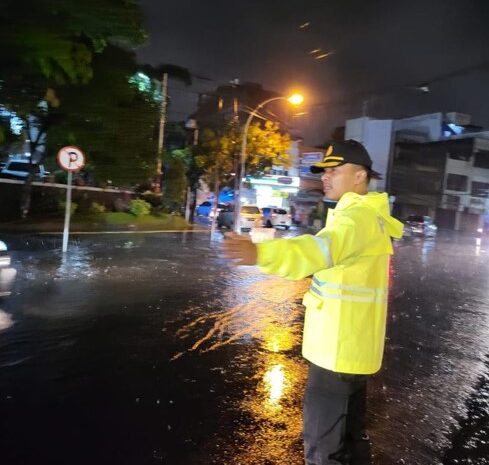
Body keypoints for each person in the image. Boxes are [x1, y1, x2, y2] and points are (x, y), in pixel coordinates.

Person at [221, 139, 404, 464]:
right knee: (350, 443)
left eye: (335, 170)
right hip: (353, 351)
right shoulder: (368, 217)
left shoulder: (355, 218)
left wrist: (261, 253)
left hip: (335, 354)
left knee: (324, 450)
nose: (325, 176)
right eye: (324, 171)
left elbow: (317, 251)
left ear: (360, 176)